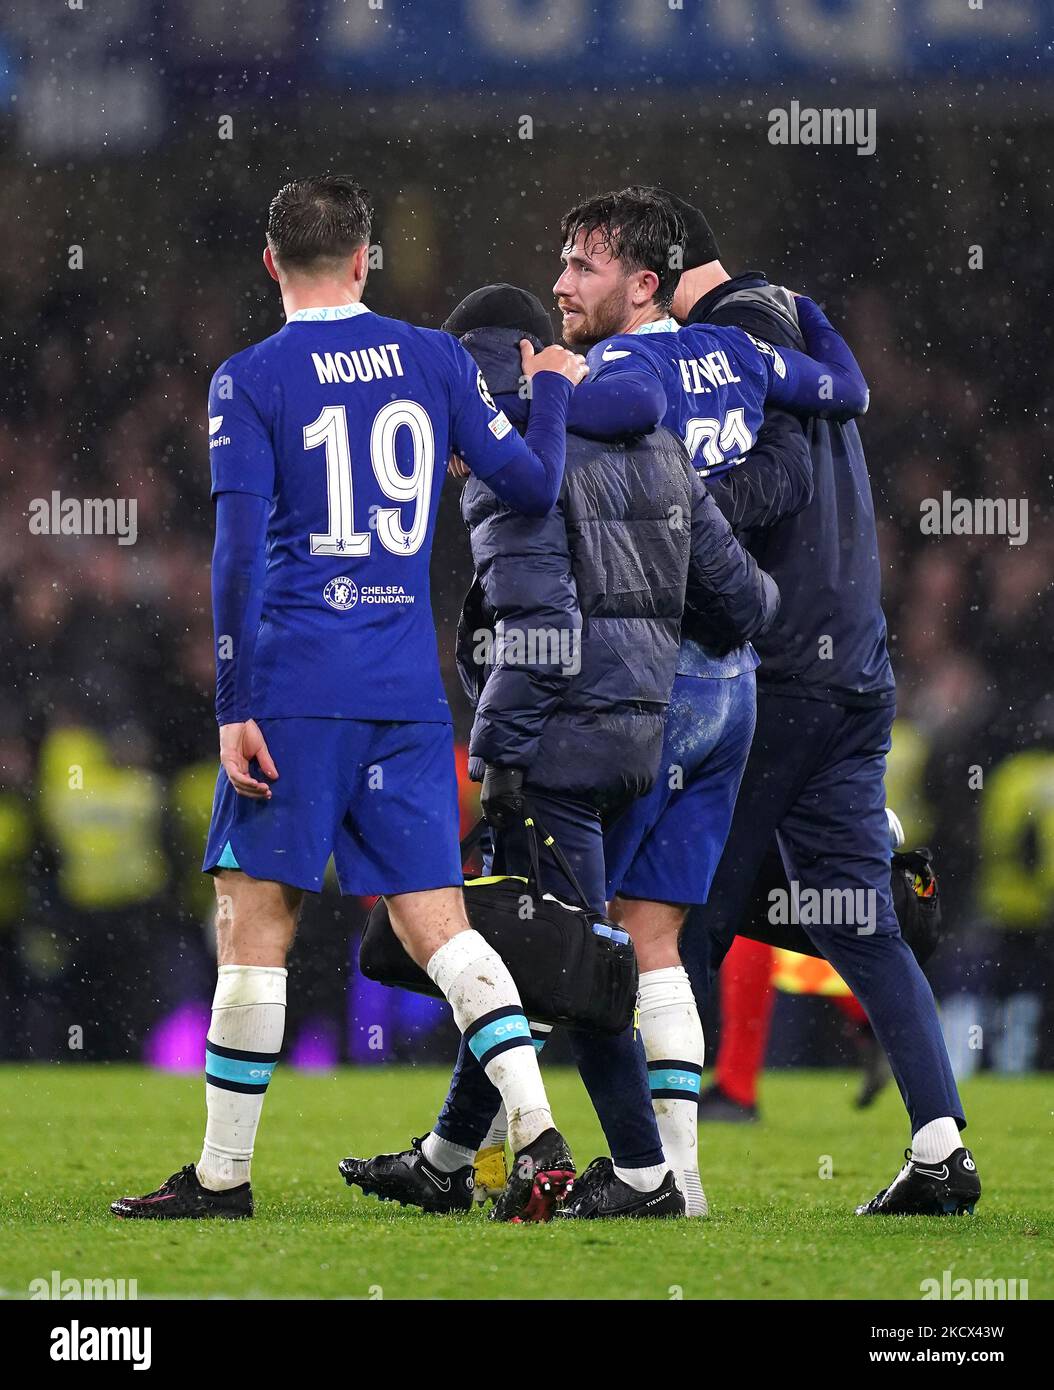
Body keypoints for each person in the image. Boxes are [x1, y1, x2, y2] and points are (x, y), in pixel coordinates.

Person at [109, 174, 591, 1225]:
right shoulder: (432, 358)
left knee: (254, 921)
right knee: (440, 926)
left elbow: (237, 552)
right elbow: (532, 485)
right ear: (365, 258)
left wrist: (234, 698)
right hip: (406, 693)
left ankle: (224, 1178)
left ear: (272, 263)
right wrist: (550, 383)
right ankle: (538, 1125)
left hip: (294, 686)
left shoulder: (248, 379)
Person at [341, 280, 779, 1219]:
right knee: (540, 950)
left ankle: (642, 1175)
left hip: (558, 750)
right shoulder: (655, 441)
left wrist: (493, 757)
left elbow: (541, 626)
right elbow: (746, 600)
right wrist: (651, 633)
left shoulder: (515, 462)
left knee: (577, 968)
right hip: (643, 738)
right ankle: (450, 1158)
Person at [656, 187, 981, 1217]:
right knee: (860, 923)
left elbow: (778, 478)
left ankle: (661, 1168)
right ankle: (940, 1151)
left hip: (787, 668)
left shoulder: (736, 329)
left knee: (687, 911)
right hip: (852, 667)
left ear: (661, 269)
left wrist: (680, 513)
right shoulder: (789, 318)